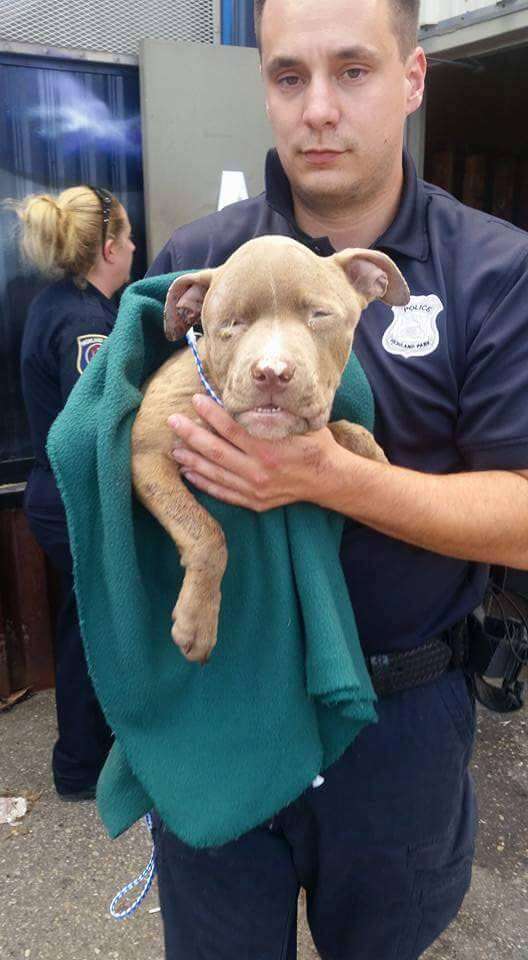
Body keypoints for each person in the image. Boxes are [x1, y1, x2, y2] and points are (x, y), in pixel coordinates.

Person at [146, 0, 528, 956]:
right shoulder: (200, 259)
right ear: (267, 92)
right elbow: (119, 453)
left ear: (411, 78)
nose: (317, 108)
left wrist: (326, 476)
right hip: (224, 702)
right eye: (288, 77)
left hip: (400, 717)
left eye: (352, 71)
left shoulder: (492, 272)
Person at [16, 185, 135, 800]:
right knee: (96, 627)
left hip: (55, 493)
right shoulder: (87, 324)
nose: (137, 246)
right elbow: (95, 424)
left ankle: (86, 758)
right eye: (130, 237)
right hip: (73, 498)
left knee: (81, 622)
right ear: (109, 247)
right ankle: (84, 766)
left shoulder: (59, 302)